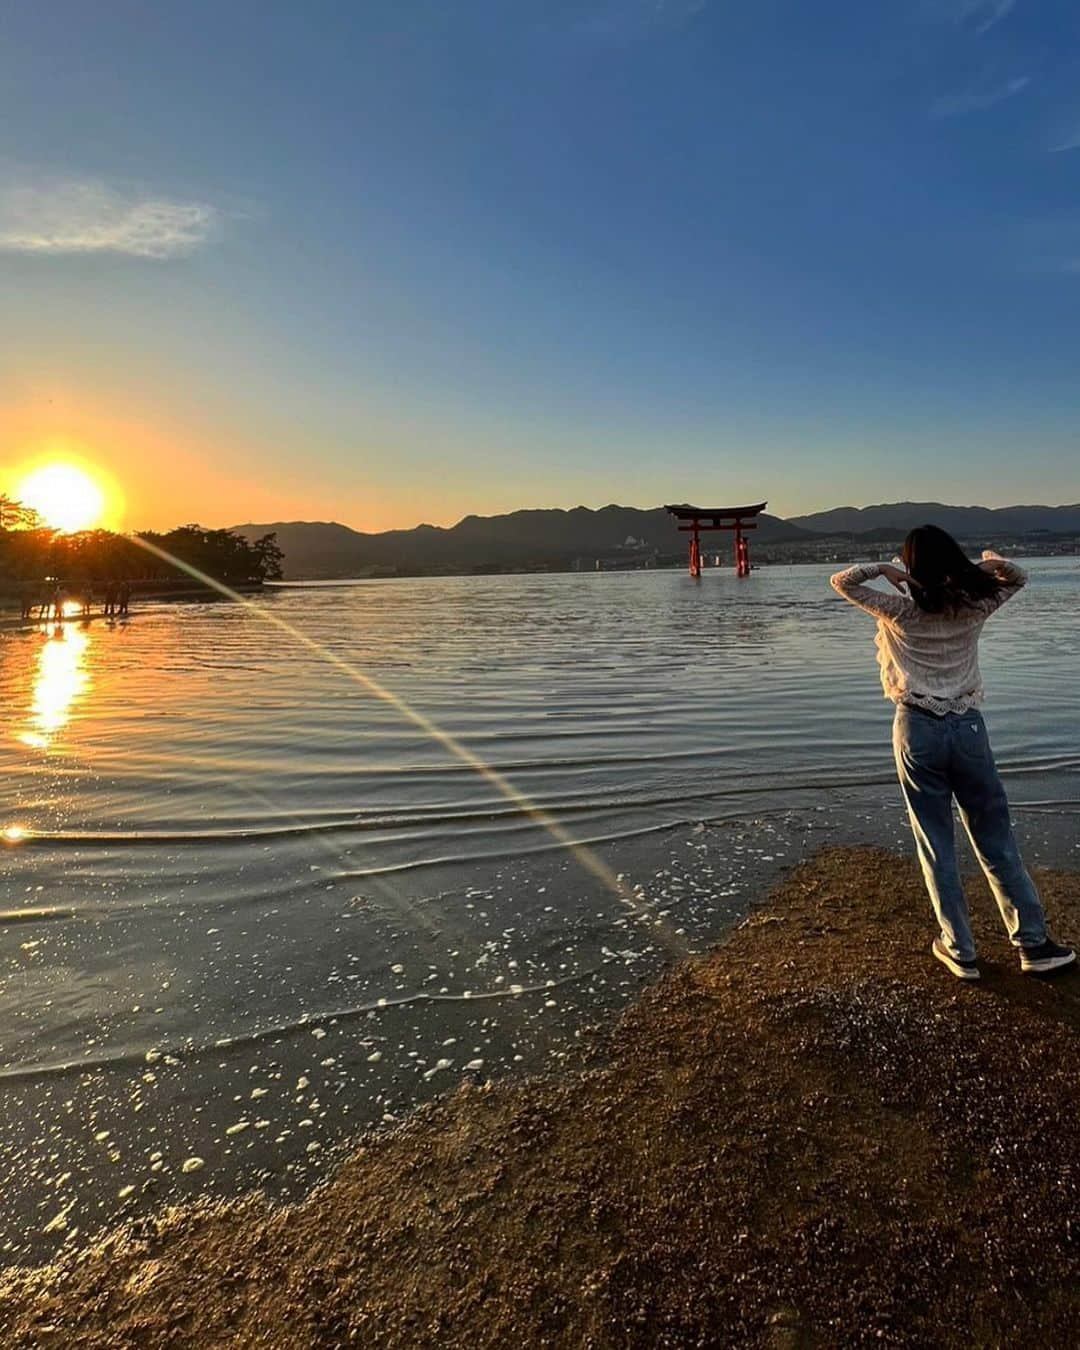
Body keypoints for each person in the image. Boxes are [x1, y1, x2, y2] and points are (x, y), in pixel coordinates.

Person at [831, 525, 1074, 980]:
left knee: (936, 843)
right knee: (996, 840)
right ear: (953, 562)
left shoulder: (898, 611)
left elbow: (842, 582)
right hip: (967, 729)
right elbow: (1018, 577)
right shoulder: (973, 606)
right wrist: (986, 563)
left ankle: (960, 949)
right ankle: (1034, 945)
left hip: (916, 729)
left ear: (912, 567)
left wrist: (883, 569)